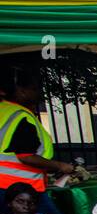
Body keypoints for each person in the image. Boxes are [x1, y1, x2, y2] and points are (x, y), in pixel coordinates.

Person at [0, 65, 75, 195]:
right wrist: (60, 166)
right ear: (21, 91)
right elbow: (26, 156)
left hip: (9, 186)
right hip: (20, 187)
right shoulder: (21, 116)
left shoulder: (4, 110)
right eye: (33, 89)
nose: (38, 93)